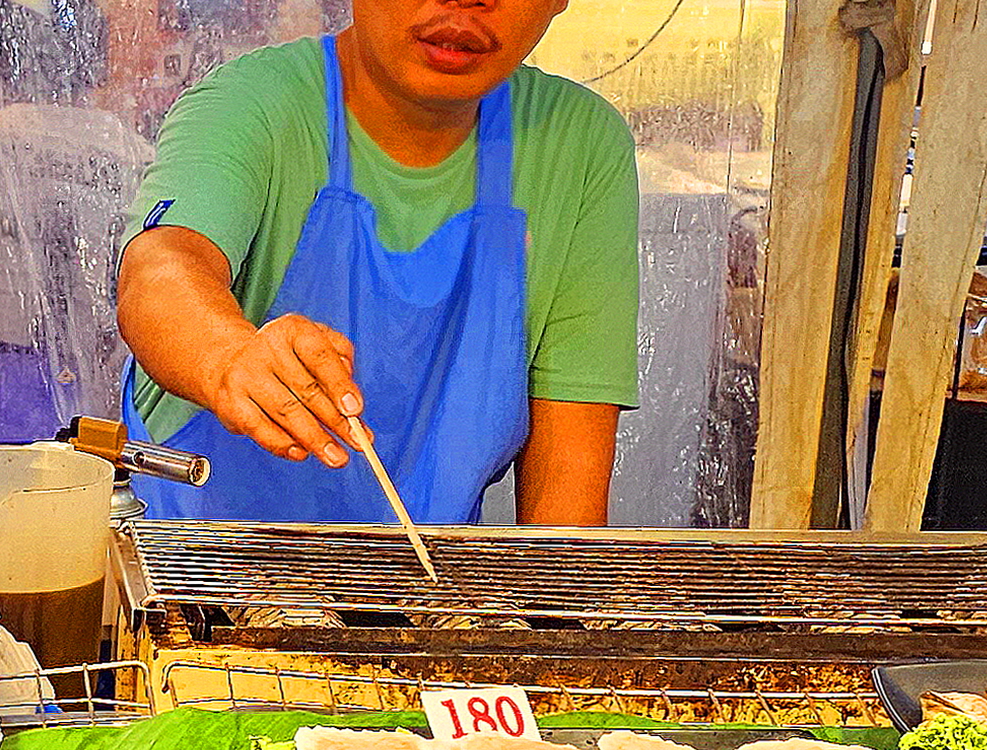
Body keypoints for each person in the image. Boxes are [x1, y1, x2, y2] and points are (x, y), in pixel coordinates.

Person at [113, 0, 639, 526]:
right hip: (195, 580)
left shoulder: (579, 145)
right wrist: (228, 358)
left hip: (429, 595)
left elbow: (565, 520)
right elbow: (161, 269)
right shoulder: (254, 104)